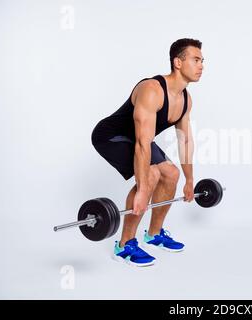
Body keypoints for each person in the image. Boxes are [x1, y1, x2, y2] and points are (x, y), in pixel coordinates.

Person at [91, 38, 204, 266]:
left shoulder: (185, 100)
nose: (202, 65)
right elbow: (143, 143)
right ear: (178, 63)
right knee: (150, 175)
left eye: (202, 60)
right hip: (109, 136)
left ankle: (153, 234)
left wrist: (190, 179)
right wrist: (143, 190)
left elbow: (185, 141)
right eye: (196, 59)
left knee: (171, 174)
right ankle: (124, 245)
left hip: (137, 137)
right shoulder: (152, 89)